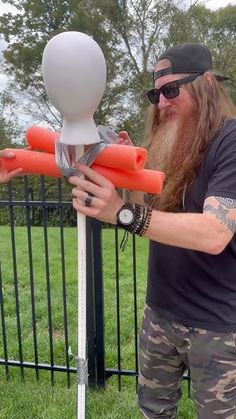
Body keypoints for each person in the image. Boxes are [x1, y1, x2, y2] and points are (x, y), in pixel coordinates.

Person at [69, 43, 236, 419]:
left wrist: (122, 213)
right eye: (155, 94)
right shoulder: (174, 142)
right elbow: (149, 208)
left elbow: (214, 232)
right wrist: (126, 174)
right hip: (160, 311)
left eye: (172, 90)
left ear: (206, 84)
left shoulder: (230, 140)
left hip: (217, 325)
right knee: (153, 411)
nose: (161, 103)